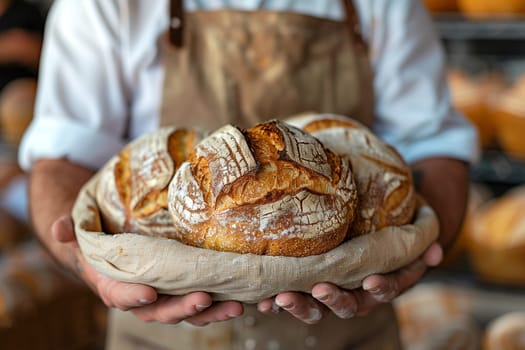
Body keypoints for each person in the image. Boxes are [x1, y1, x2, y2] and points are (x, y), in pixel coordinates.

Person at [19, 0, 478, 349]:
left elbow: (434, 148)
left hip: (351, 328)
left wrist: (414, 250)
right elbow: (62, 158)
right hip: (158, 337)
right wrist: (91, 263)